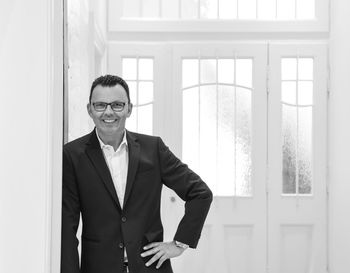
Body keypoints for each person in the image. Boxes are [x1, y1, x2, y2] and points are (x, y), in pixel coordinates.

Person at [61, 75, 213, 273]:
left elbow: (200, 193)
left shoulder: (153, 149)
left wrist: (180, 243)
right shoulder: (72, 155)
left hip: (150, 267)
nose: (108, 112)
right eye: (100, 105)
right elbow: (67, 227)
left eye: (117, 105)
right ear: (89, 109)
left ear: (129, 109)